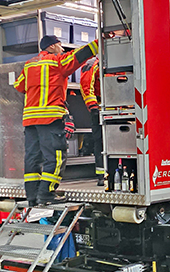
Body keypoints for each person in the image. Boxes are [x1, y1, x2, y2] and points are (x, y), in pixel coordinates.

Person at [15, 34, 98, 205]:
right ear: (52, 46)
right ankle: (46, 194)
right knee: (55, 157)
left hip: (30, 121)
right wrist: (101, 41)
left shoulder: (29, 65)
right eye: (60, 46)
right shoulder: (57, 62)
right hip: (50, 118)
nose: (62, 50)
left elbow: (19, 86)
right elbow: (80, 55)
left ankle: (32, 196)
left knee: (32, 158)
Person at [79, 56, 105, 186]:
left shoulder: (120, 58)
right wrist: (93, 106)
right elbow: (86, 84)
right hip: (101, 109)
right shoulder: (92, 63)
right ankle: (102, 175)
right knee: (100, 142)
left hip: (123, 109)